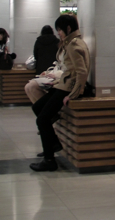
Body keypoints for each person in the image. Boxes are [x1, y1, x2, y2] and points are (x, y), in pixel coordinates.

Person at [30, 14, 90, 172]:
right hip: (63, 85)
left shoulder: (74, 44)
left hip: (68, 88)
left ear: (68, 28)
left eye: (60, 30)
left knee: (42, 119)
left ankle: (49, 159)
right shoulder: (70, 42)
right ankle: (53, 143)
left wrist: (73, 94)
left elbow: (82, 72)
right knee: (37, 108)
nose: (58, 33)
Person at [24, 25, 61, 104]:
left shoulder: (38, 41)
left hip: (41, 68)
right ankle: (47, 106)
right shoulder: (57, 41)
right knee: (51, 90)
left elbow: (35, 55)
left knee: (38, 88)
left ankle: (42, 106)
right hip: (53, 68)